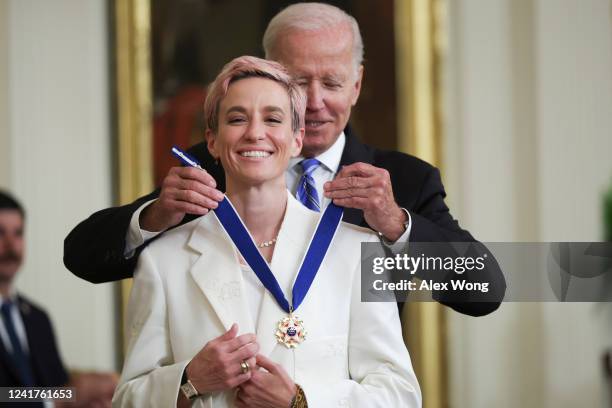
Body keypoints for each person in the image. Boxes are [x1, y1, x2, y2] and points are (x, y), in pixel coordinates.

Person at [64, 2, 504, 316]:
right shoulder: (215, 165)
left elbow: (485, 291)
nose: (313, 103)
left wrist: (396, 223)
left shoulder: (405, 180)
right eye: (295, 82)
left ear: (357, 84)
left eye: (331, 83)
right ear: (267, 75)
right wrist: (156, 216)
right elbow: (81, 257)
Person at [112, 56, 420, 407]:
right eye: (237, 118)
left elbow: (400, 395)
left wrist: (301, 401)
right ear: (212, 140)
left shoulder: (357, 250)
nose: (255, 132)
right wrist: (189, 382)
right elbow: (125, 400)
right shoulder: (162, 259)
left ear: (297, 139)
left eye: (273, 119)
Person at [0, 190, 117, 407]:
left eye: (18, 233)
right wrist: (63, 398)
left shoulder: (37, 318)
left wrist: (87, 400)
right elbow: (5, 394)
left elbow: (59, 388)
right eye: (0, 233)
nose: (11, 245)